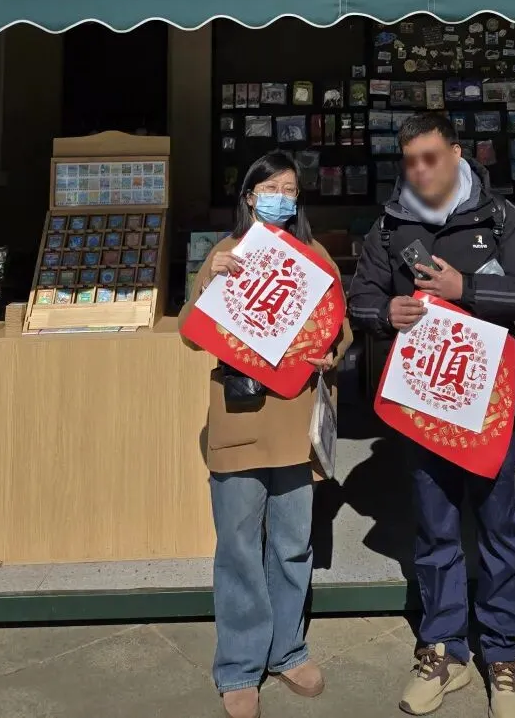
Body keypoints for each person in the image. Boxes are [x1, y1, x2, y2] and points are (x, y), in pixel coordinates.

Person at [348, 114, 515, 718]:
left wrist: (467, 290)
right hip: (425, 405)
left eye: (431, 157)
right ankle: (443, 650)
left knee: (499, 529)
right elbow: (359, 298)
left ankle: (504, 655)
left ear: (458, 153)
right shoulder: (390, 225)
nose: (421, 170)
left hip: (493, 404)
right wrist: (385, 312)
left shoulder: (499, 217)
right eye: (411, 160)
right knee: (436, 531)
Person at [179, 151, 352, 718]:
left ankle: (288, 649)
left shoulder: (314, 256)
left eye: (290, 189)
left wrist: (331, 353)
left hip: (296, 422)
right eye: (270, 187)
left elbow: (340, 327)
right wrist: (212, 280)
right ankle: (239, 665)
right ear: (249, 195)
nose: (281, 197)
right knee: (237, 547)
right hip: (239, 418)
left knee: (292, 542)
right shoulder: (227, 253)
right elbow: (190, 332)